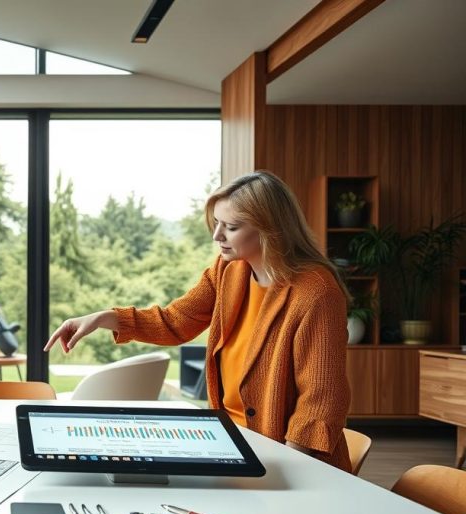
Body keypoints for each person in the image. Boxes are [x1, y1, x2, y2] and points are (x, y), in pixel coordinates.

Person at [45, 170, 352, 472]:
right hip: (232, 444)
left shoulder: (316, 292)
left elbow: (321, 399)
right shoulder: (228, 270)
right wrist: (103, 318)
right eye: (216, 223)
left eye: (231, 227)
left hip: (288, 460)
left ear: (270, 229)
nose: (217, 236)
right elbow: (176, 322)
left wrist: (286, 471)